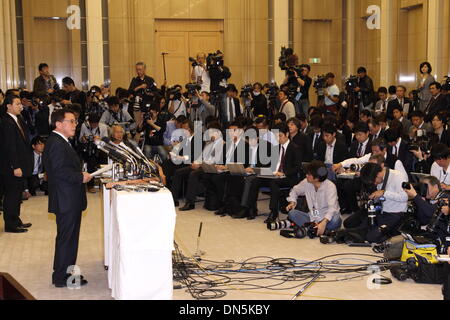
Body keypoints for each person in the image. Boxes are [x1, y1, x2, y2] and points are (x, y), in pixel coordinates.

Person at [43, 108, 92, 288]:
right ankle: (61, 277)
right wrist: (81, 177)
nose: (75, 124)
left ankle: (66, 272)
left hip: (68, 197)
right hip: (66, 199)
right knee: (67, 238)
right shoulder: (56, 142)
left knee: (69, 238)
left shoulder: (61, 141)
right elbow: (59, 171)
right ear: (59, 124)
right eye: (71, 121)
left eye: (75, 121)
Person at [246, 123, 302, 224]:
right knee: (255, 181)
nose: (278, 138)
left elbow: (297, 167)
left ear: (287, 134)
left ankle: (273, 212)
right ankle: (252, 208)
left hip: (287, 177)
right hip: (273, 175)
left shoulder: (295, 148)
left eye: (280, 136)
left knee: (274, 183)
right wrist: (264, 171)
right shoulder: (275, 147)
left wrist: (283, 173)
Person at [344, 162, 408, 244]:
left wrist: (384, 192)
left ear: (378, 174)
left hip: (395, 214)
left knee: (372, 236)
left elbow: (405, 197)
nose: (374, 184)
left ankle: (393, 234)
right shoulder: (379, 179)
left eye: (374, 181)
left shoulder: (397, 176)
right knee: (354, 225)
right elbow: (382, 198)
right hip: (381, 211)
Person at [0, 95, 33, 233]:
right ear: (8, 106)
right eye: (17, 104)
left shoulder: (18, 119)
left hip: (21, 163)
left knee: (17, 194)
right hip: (11, 166)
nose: (21, 106)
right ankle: (10, 224)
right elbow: (10, 147)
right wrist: (15, 166)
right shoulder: (6, 122)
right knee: (12, 195)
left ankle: (16, 219)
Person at [287, 161, 342, 236]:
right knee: (292, 213)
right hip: (313, 216)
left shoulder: (330, 186)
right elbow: (294, 190)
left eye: (309, 174)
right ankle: (321, 230)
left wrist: (323, 222)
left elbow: (332, 209)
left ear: (317, 178)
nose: (306, 175)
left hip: (328, 218)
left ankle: (314, 228)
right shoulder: (306, 182)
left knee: (336, 220)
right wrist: (292, 202)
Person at [128, 62, 158, 129]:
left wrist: (149, 93)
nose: (138, 71)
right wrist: (140, 87)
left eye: (140, 69)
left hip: (148, 106)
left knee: (149, 125)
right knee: (139, 126)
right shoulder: (134, 80)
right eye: (137, 69)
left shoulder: (150, 80)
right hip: (137, 107)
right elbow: (130, 91)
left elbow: (155, 92)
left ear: (144, 69)